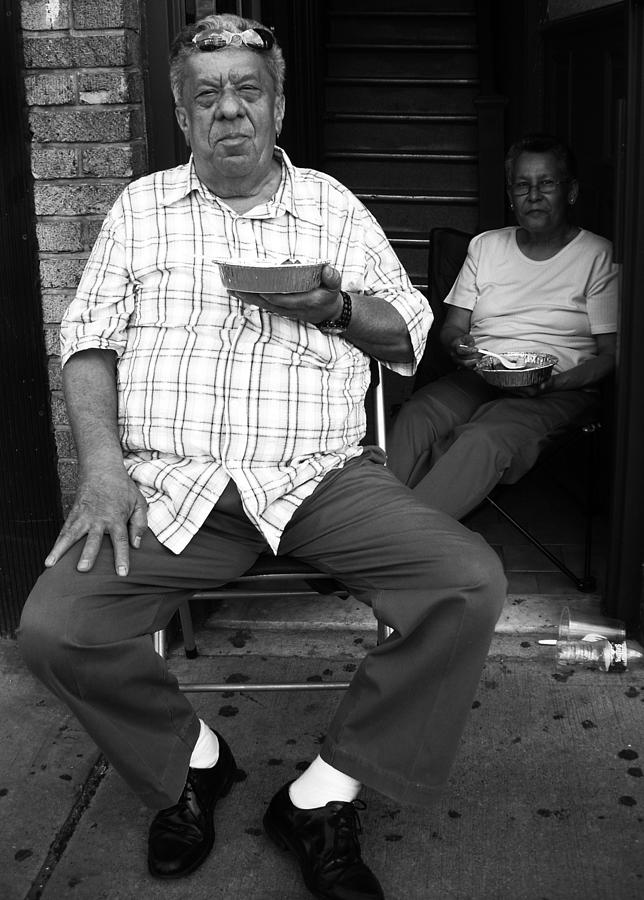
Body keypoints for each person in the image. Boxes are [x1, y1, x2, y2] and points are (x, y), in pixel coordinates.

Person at [17, 14, 506, 899]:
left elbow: (410, 329)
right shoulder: (140, 210)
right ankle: (192, 761)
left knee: (467, 582)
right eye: (207, 95)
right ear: (180, 113)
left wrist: (333, 308)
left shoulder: (332, 205)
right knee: (55, 631)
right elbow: (87, 342)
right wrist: (100, 469)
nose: (229, 110)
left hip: (317, 477)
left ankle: (322, 795)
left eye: (248, 91)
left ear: (278, 105)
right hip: (177, 485)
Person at [387, 133, 618, 521]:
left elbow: (612, 355)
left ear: (571, 191)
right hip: (481, 375)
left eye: (547, 183)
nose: (534, 195)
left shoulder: (597, 254)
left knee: (480, 439)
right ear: (510, 196)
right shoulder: (485, 246)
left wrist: (556, 383)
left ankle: (403, 547)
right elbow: (452, 327)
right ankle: (359, 526)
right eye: (522, 185)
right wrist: (458, 345)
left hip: (558, 387)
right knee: (416, 416)